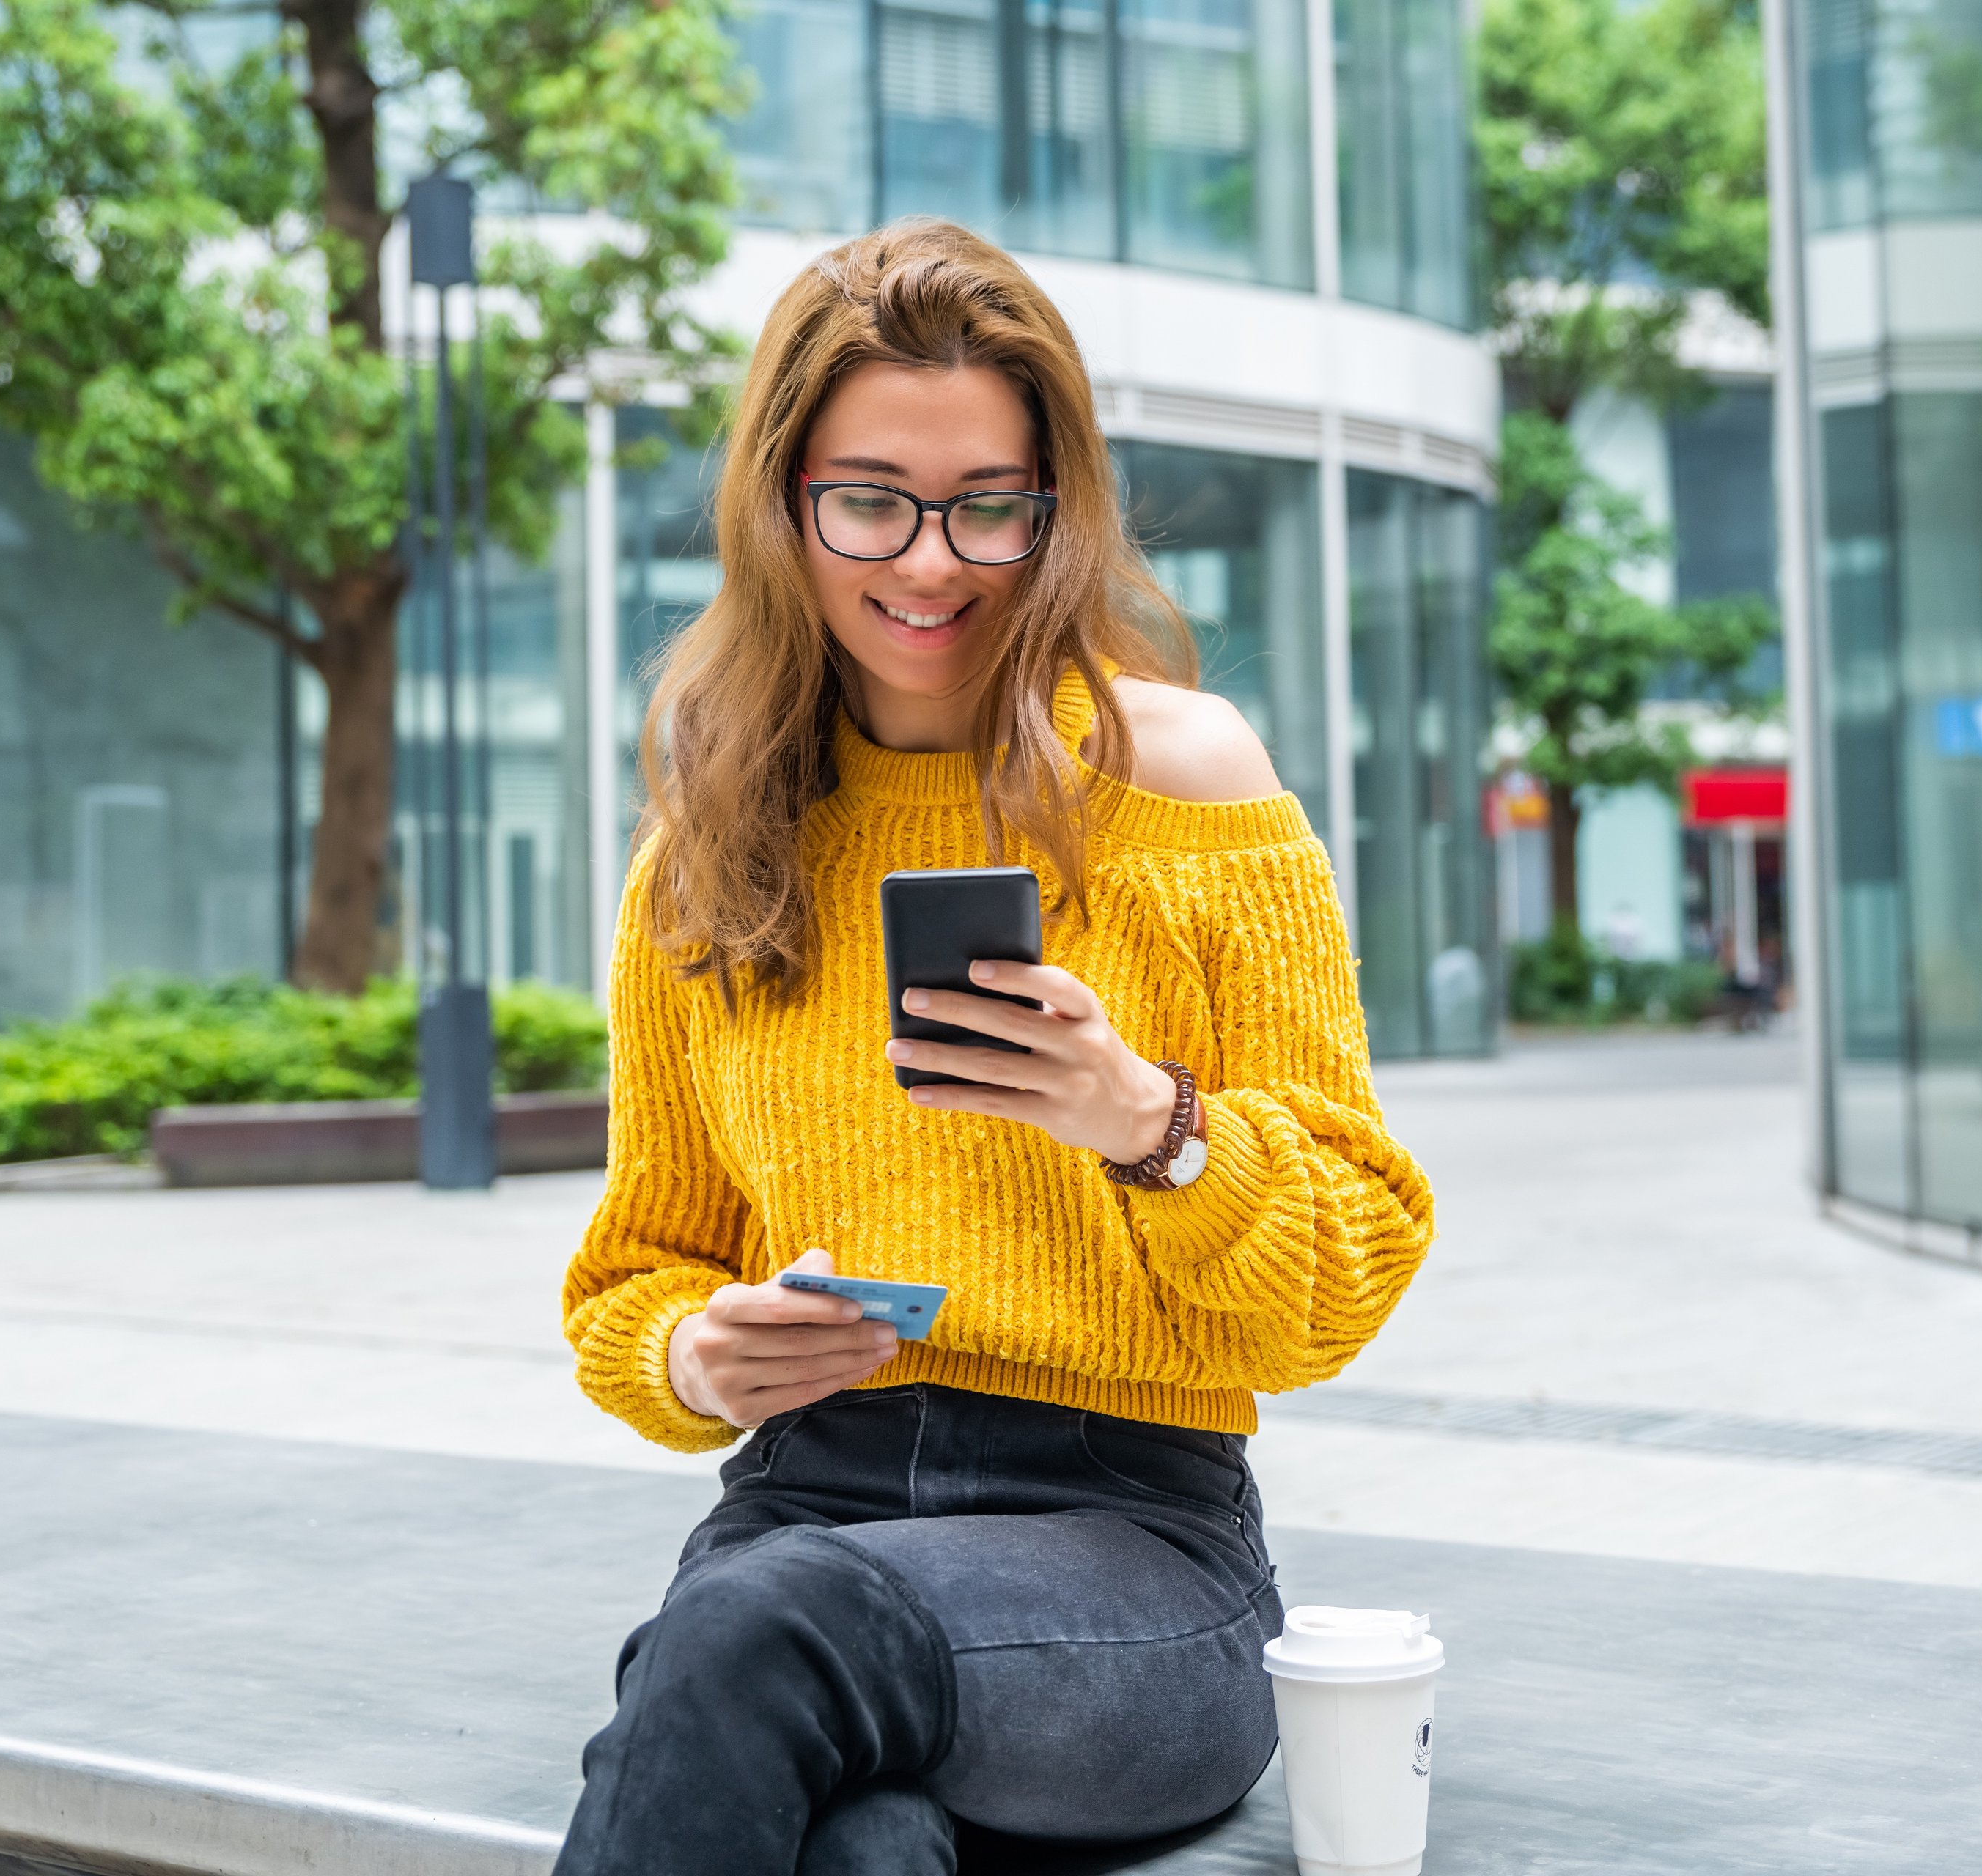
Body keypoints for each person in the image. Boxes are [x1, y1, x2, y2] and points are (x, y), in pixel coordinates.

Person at [553, 218, 1434, 1876]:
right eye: (871, 499)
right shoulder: (711, 842)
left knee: (754, 1638)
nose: (934, 561)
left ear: (1059, 503)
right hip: (805, 1501)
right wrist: (698, 1355)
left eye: (990, 506)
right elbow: (632, 1280)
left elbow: (1350, 1276)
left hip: (1135, 1548)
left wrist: (1150, 1121)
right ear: (779, 502)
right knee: (862, 1843)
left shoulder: (1186, 783)